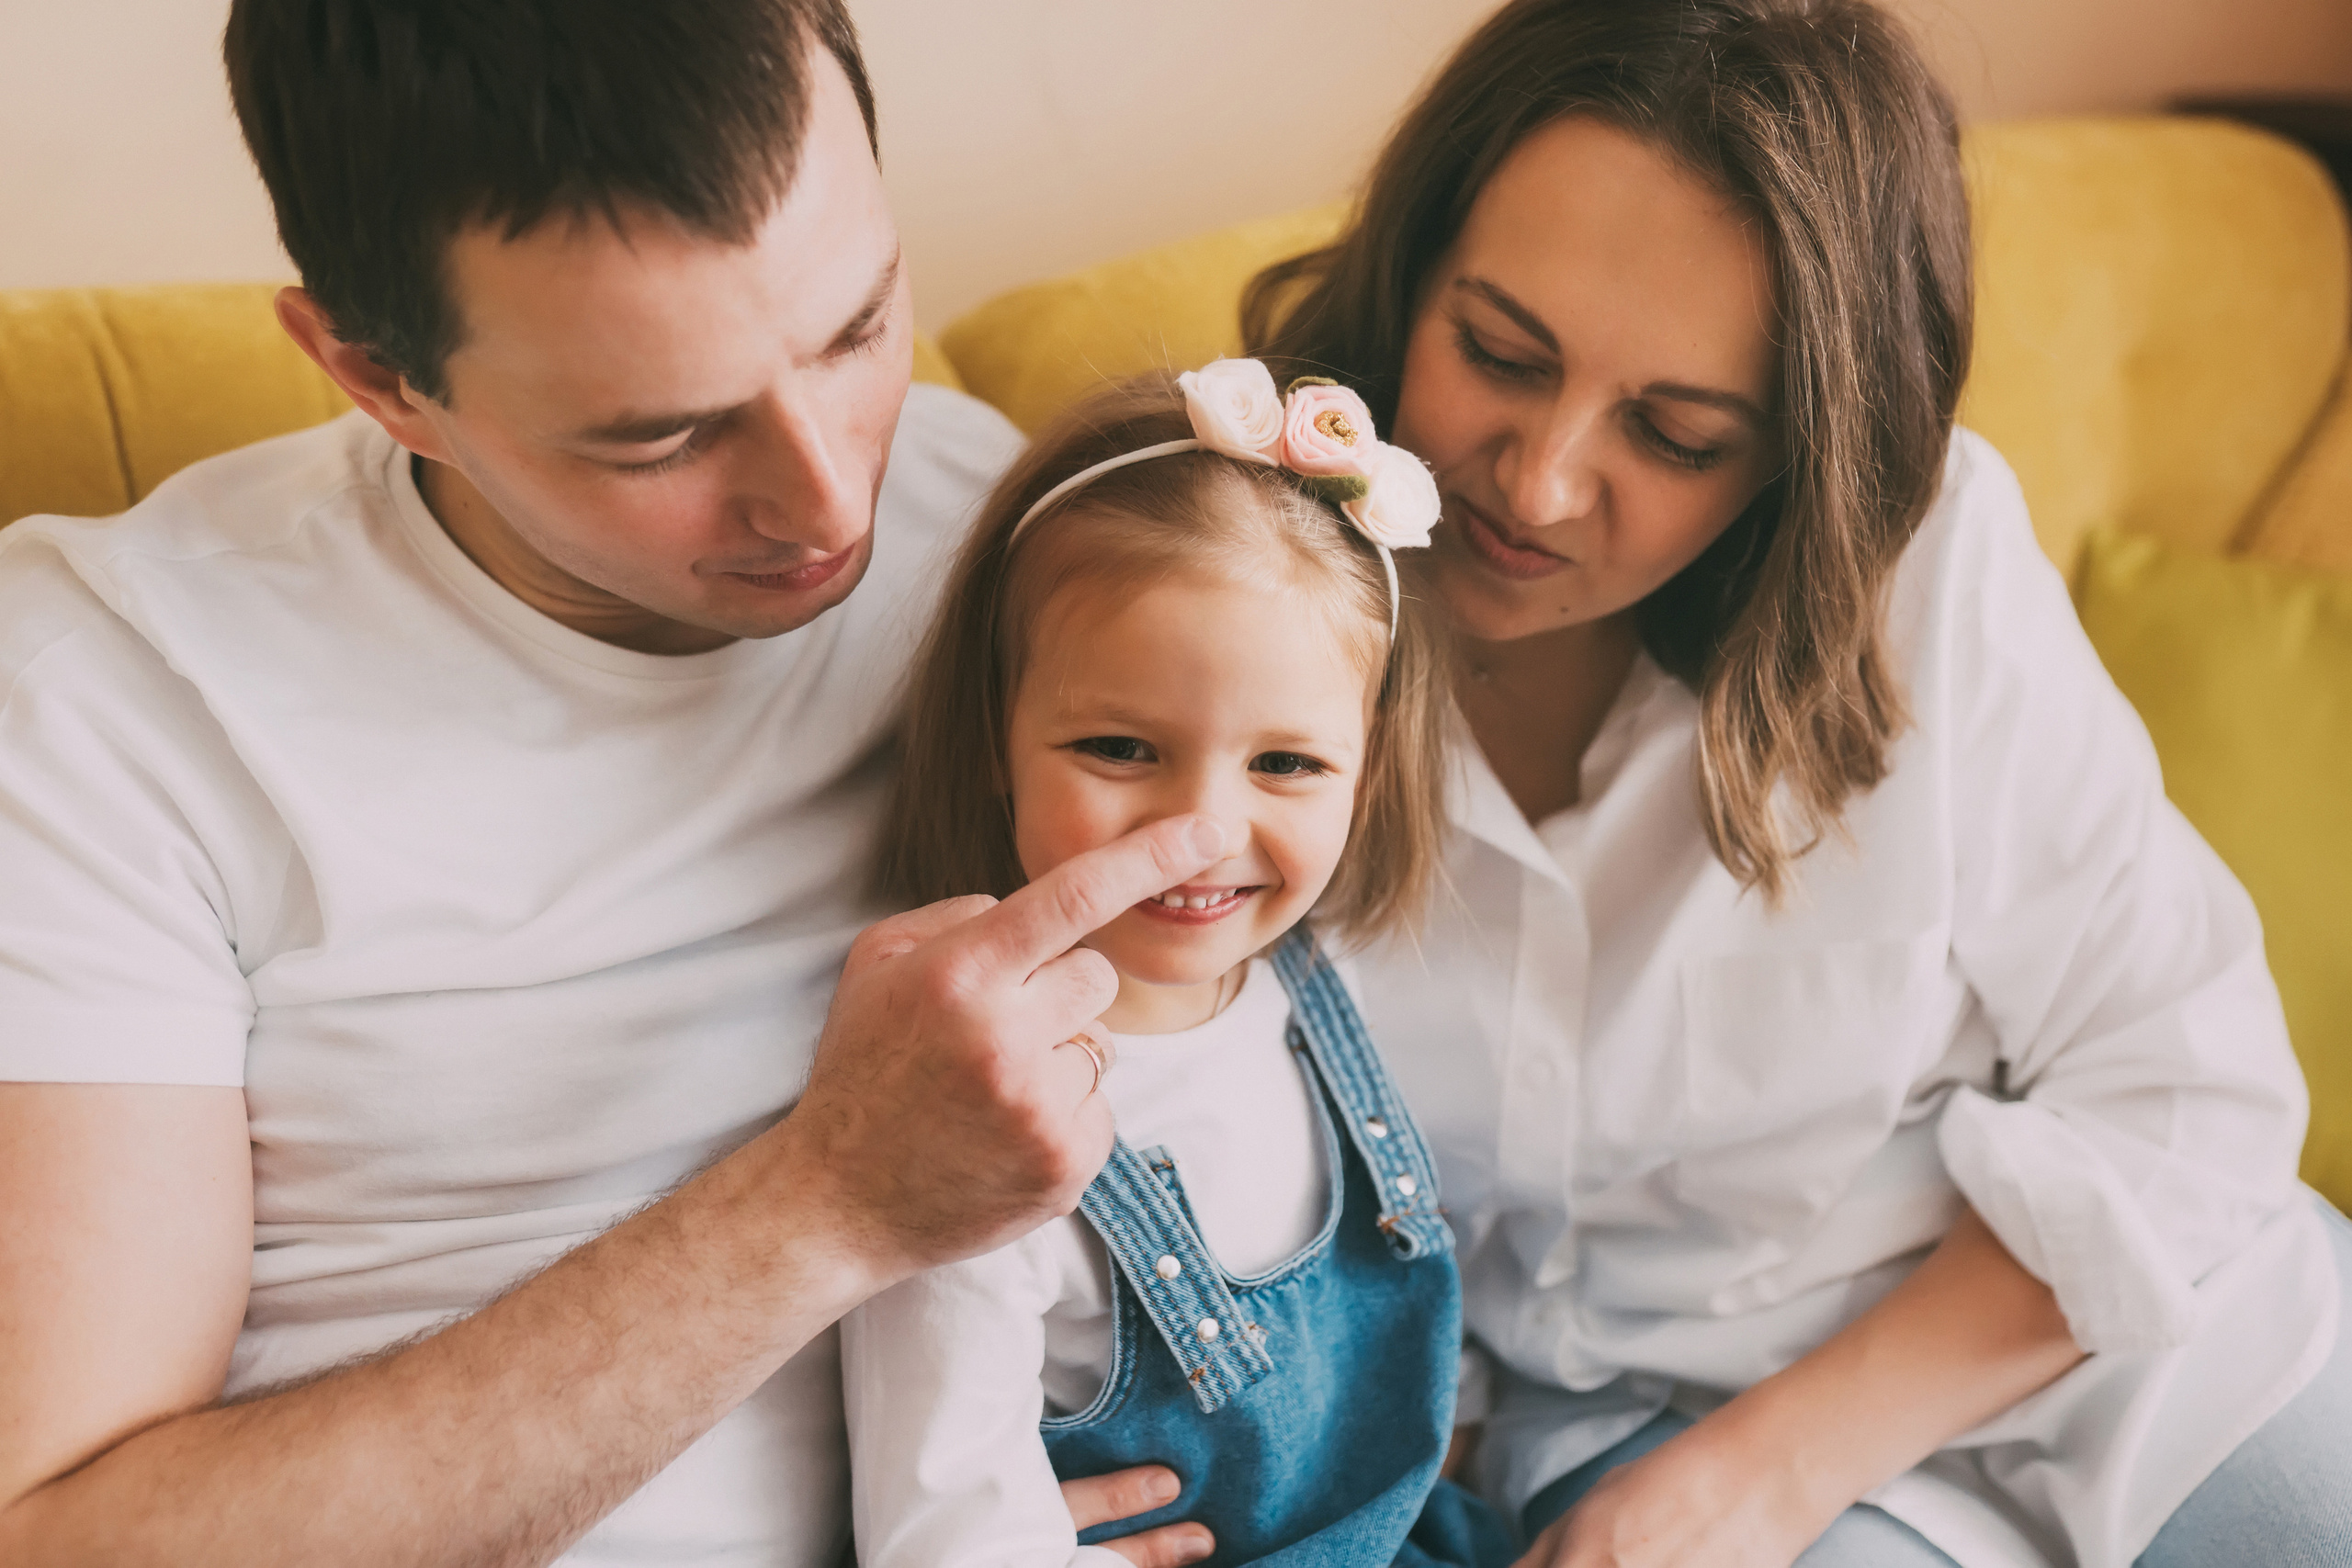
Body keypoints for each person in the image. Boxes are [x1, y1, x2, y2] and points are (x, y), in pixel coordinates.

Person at [0, 5, 1220, 1564]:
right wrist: (828, 1200)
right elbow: (64, 1540)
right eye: (664, 436)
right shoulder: (111, 699)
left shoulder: (1009, 523)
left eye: (857, 330)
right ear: (379, 380)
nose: (830, 493)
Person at [1244, 1, 2352, 1565]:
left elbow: (2190, 1083)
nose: (1542, 479)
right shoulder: (1229, 603)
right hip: (1637, 1432)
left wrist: (1777, 1468)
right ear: (1411, 267)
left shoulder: (1925, 568)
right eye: (1499, 351)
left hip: (2124, 1326)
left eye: (1677, 432)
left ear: (1801, 459)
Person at [842, 363, 1512, 1567]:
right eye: (1120, 747)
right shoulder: (967, 1113)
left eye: (1289, 765)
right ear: (997, 734)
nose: (1197, 831)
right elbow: (941, 1533)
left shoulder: (1323, 984)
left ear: (1368, 765)